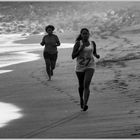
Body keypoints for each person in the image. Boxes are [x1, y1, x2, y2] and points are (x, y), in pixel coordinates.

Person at [72, 28, 100, 111]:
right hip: (80, 67)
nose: (85, 35)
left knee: (86, 84)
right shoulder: (78, 43)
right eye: (83, 34)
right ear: (81, 35)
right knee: (81, 86)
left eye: (86, 33)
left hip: (90, 66)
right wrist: (80, 49)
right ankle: (81, 99)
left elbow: (94, 52)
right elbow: (73, 56)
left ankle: (85, 104)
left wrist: (96, 55)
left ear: (89, 34)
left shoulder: (92, 43)